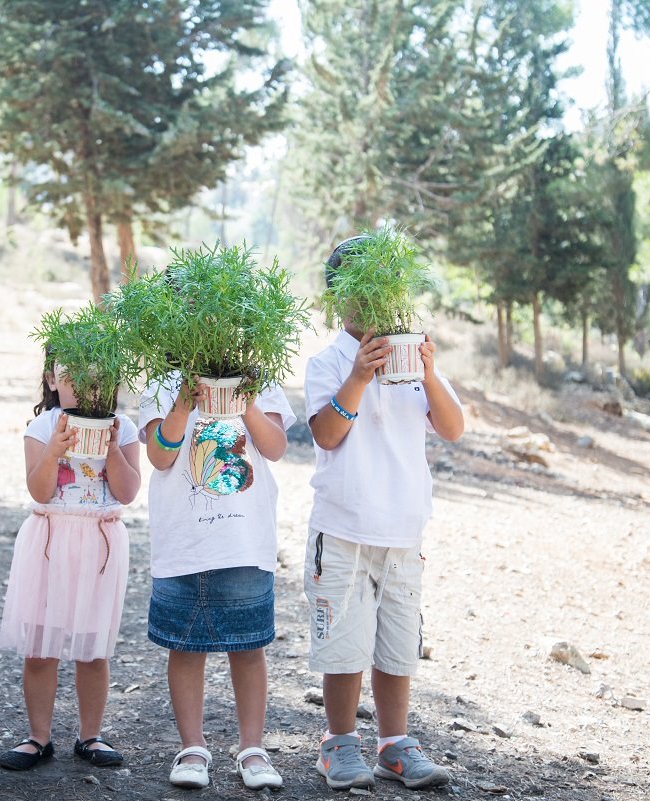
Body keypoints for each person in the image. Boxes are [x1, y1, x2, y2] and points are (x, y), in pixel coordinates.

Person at [304, 237, 465, 791]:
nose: (370, 308)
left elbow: (452, 427)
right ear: (339, 300)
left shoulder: (411, 356)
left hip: (402, 528)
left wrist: (429, 369)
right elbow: (326, 434)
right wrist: (357, 375)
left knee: (398, 643)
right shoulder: (327, 363)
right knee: (344, 643)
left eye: (382, 293)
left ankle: (395, 745)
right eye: (357, 295)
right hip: (343, 527)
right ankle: (339, 744)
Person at [140, 374, 294, 791]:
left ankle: (253, 747)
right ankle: (192, 747)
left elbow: (276, 447)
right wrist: (182, 404)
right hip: (183, 544)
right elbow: (159, 456)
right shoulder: (162, 381)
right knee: (185, 646)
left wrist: (244, 403)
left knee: (248, 646)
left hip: (243, 543)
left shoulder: (258, 375)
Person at [0, 362, 141, 770]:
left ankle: (90, 735)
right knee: (41, 647)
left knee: (93, 648)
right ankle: (38, 737)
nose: (82, 383)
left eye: (94, 372)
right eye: (69, 373)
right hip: (48, 540)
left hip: (98, 543)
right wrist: (56, 448)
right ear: (51, 381)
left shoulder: (123, 428)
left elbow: (128, 492)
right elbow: (39, 488)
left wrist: (110, 448)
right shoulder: (42, 426)